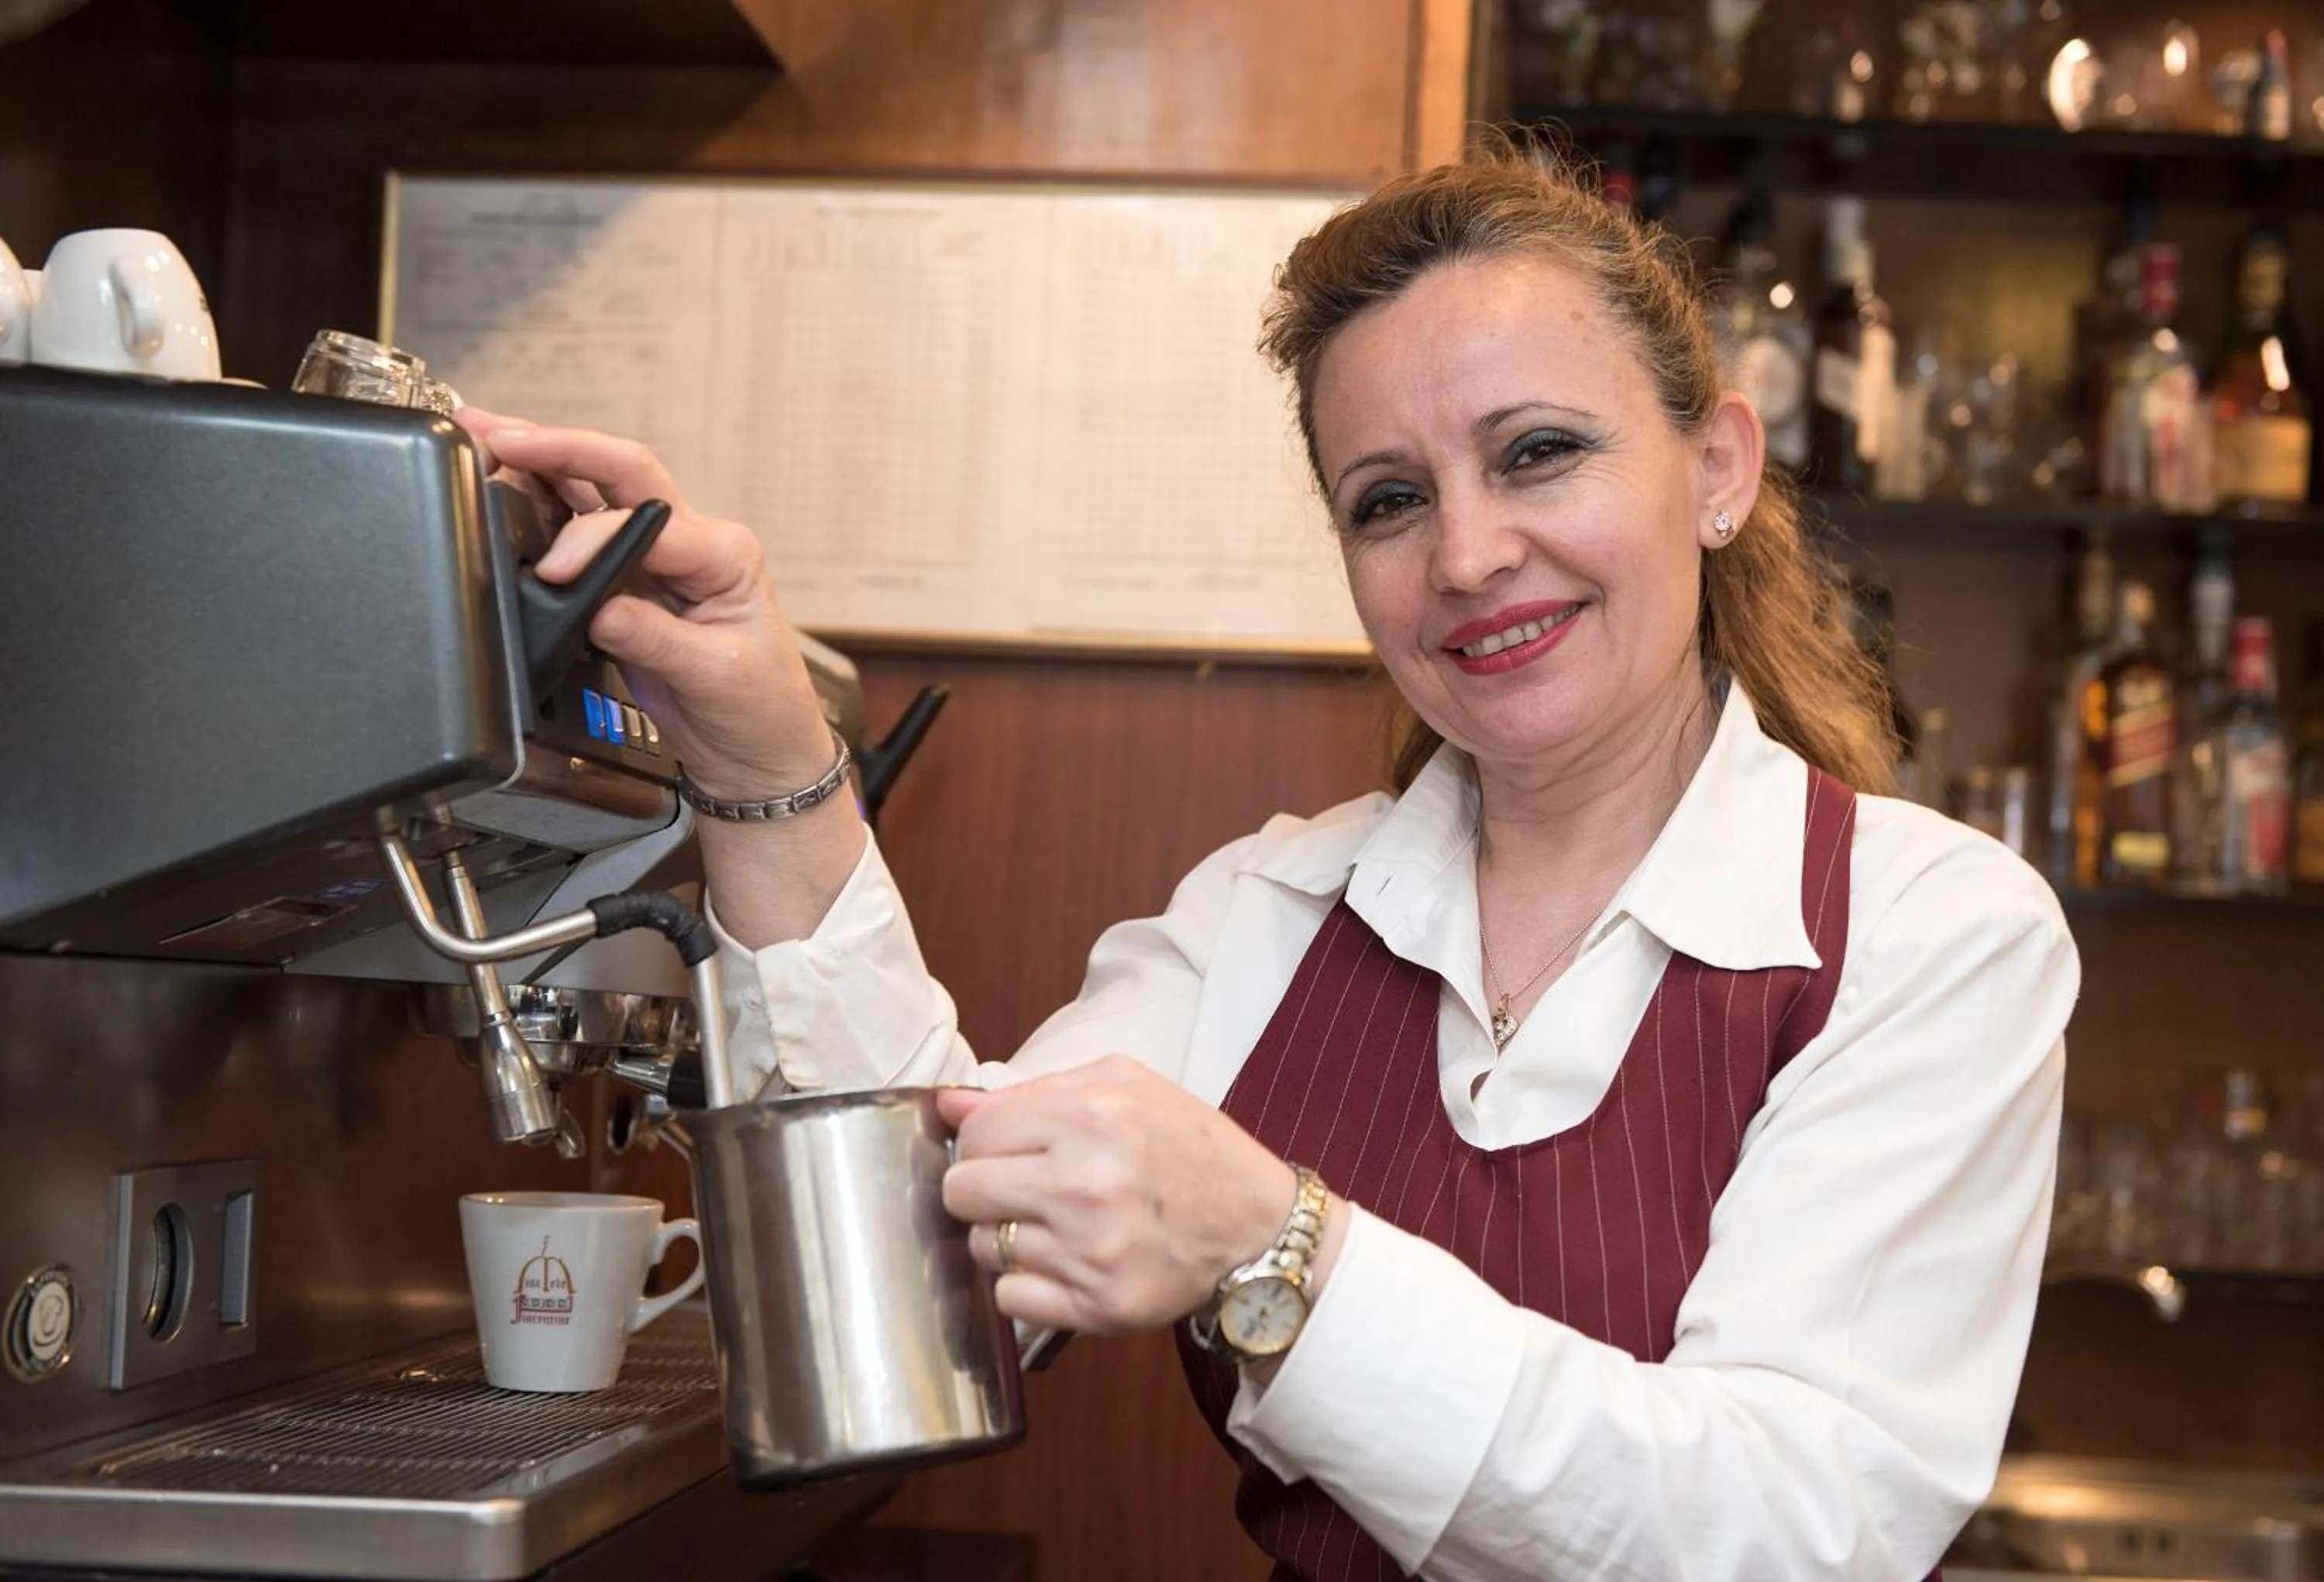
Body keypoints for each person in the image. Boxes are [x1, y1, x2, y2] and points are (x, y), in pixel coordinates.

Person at [459, 143, 2077, 1581]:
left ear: (1717, 469)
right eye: (1390, 500)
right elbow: (911, 1268)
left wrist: (1279, 1250)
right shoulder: (1270, 915)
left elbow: (1794, 1533)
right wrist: (760, 756)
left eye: (1538, 453)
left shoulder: (1930, 935)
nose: (1465, 554)